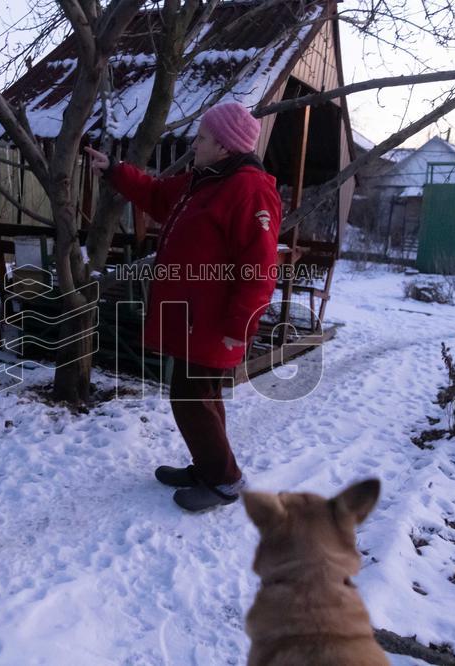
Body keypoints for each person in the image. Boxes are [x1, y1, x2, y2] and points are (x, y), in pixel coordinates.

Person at [85, 101, 282, 512]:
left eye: (204, 138)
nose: (196, 145)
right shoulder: (203, 182)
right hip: (194, 317)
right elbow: (156, 195)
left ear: (225, 147)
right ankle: (209, 468)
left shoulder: (249, 189)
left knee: (190, 396)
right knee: (202, 396)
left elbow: (260, 266)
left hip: (215, 321)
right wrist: (115, 171)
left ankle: (224, 480)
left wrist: (241, 323)